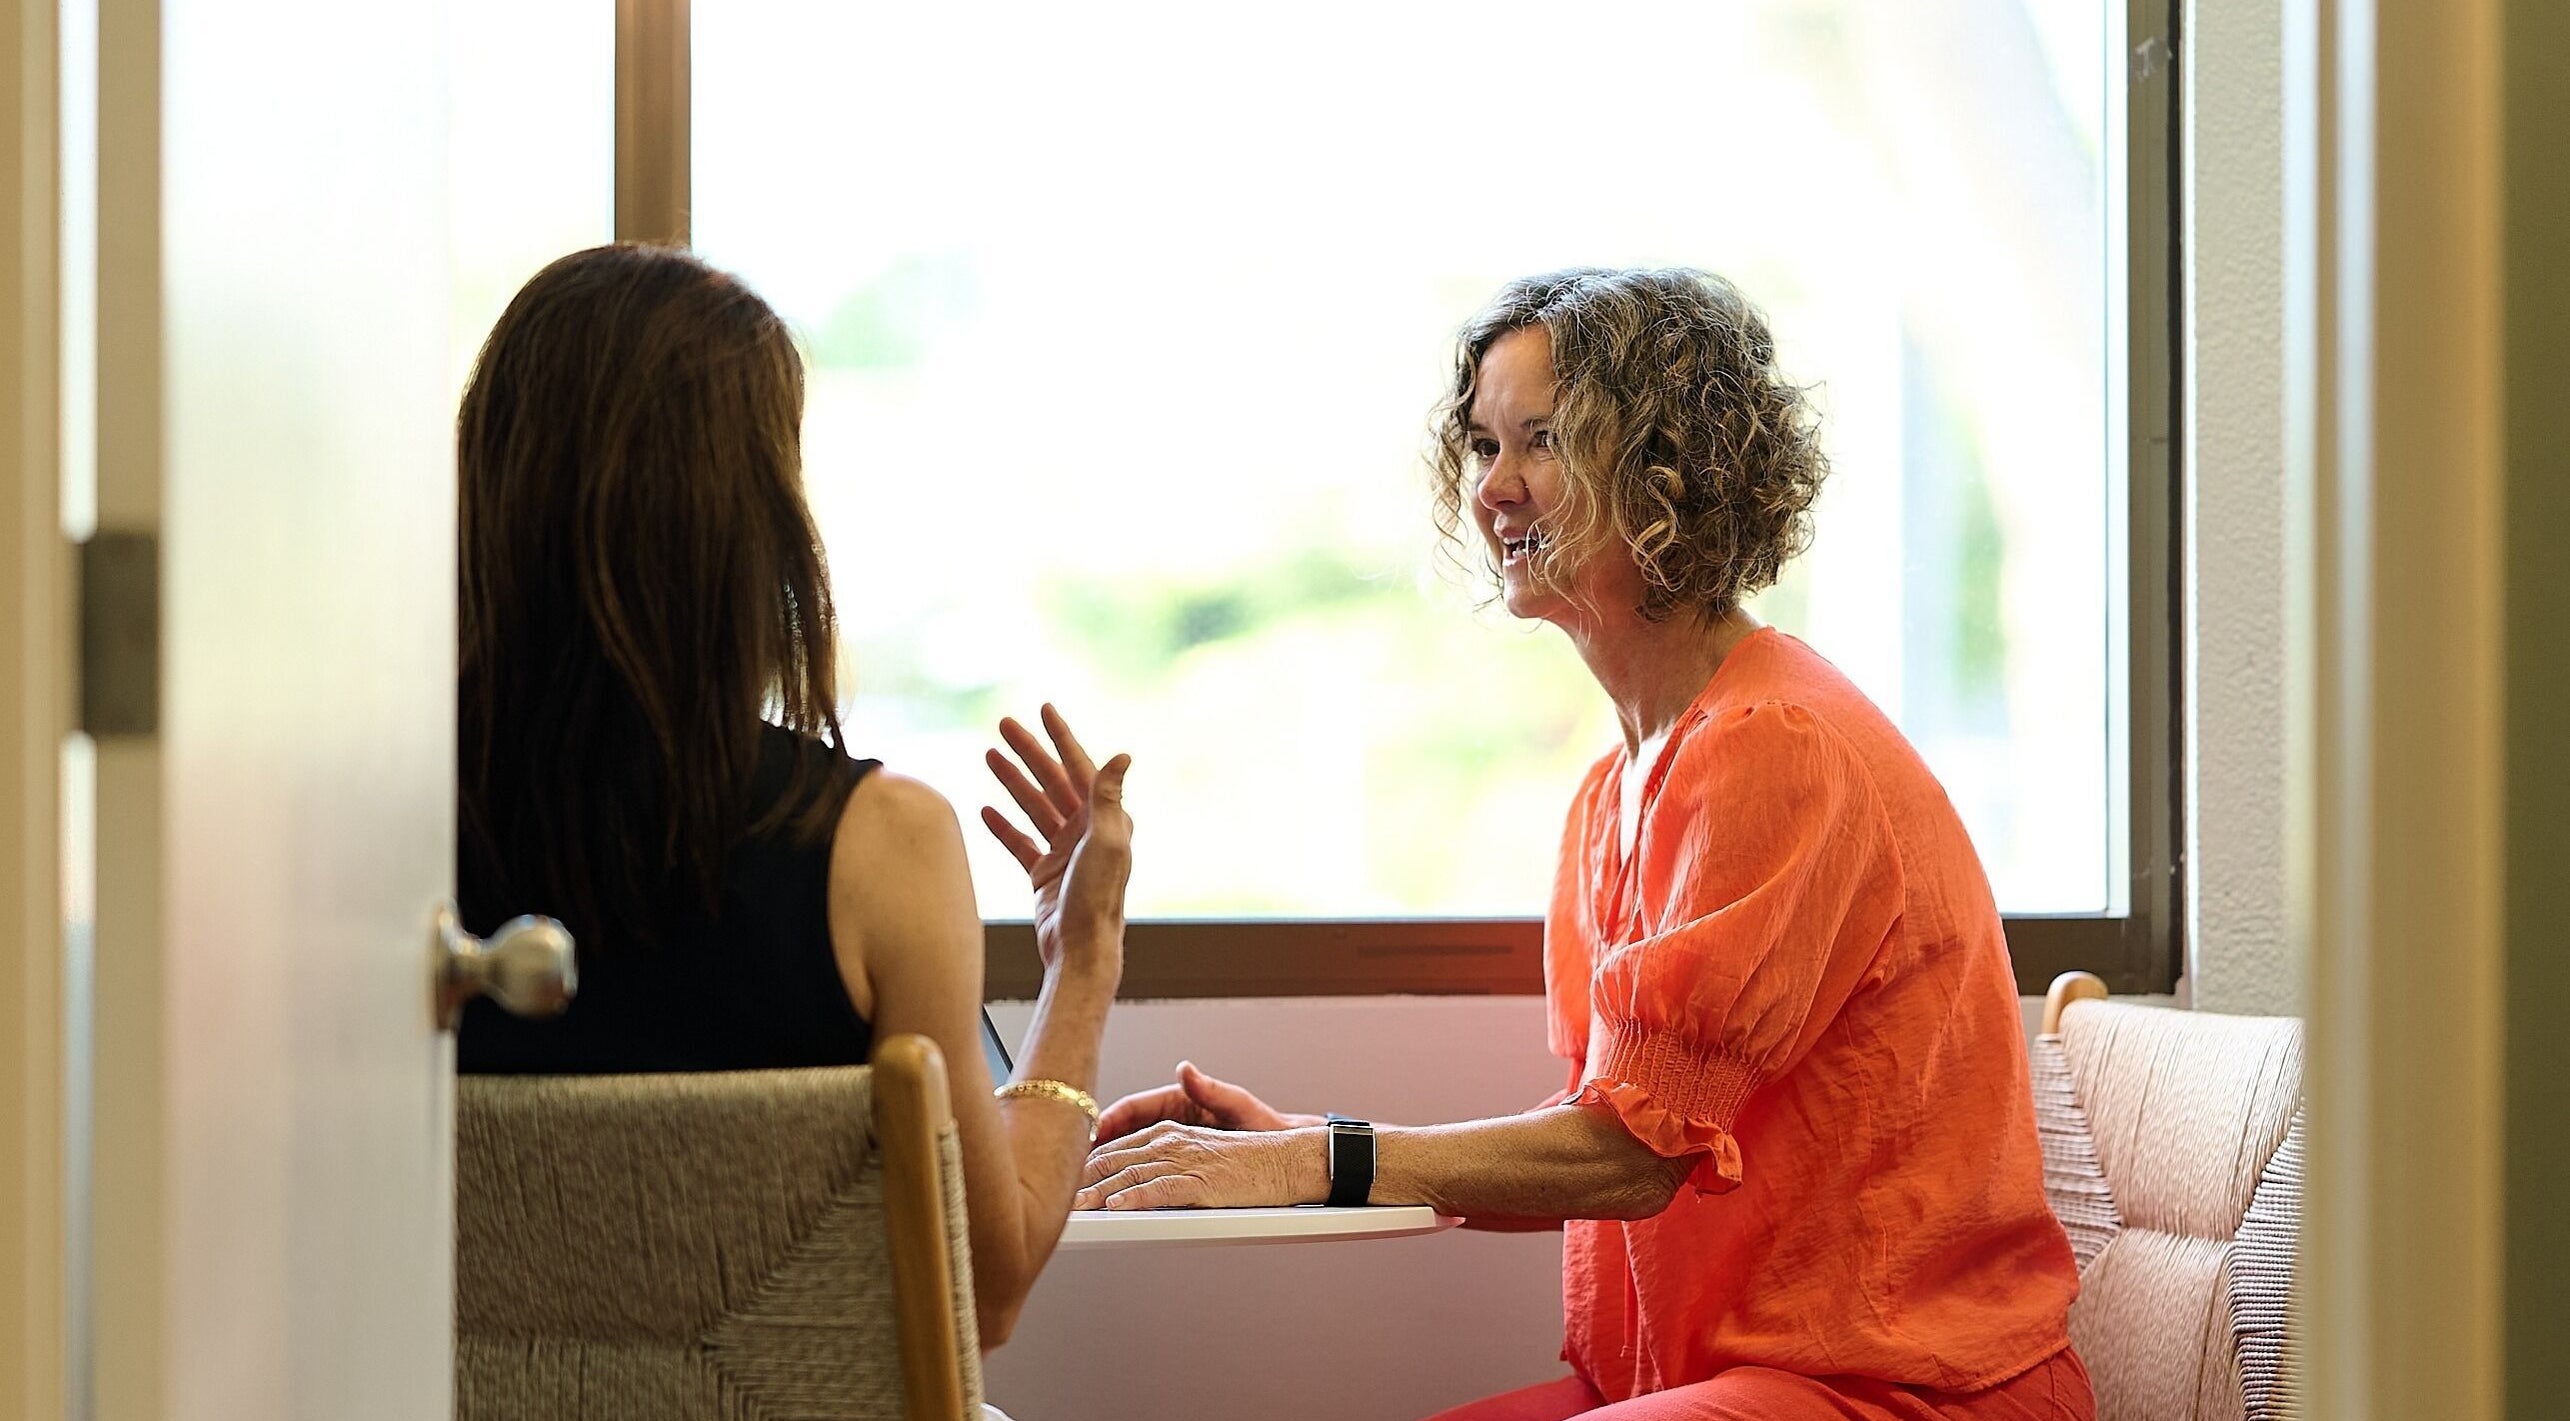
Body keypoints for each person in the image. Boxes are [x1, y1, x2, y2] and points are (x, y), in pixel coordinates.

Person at [1080, 269, 2092, 1420]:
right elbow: (1601, 1139)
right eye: (1479, 445)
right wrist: (1311, 1140)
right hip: (1698, 1387)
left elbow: (1629, 1157)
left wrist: (1322, 1162)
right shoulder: (1610, 792)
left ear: (1666, 467)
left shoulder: (1776, 746)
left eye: (1542, 440)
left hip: (1895, 1394)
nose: (1494, 489)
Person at [453, 243, 1129, 1351]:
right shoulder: (878, 844)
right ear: (750, 520)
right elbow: (985, 1293)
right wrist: (1084, 960)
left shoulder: (361, 843)